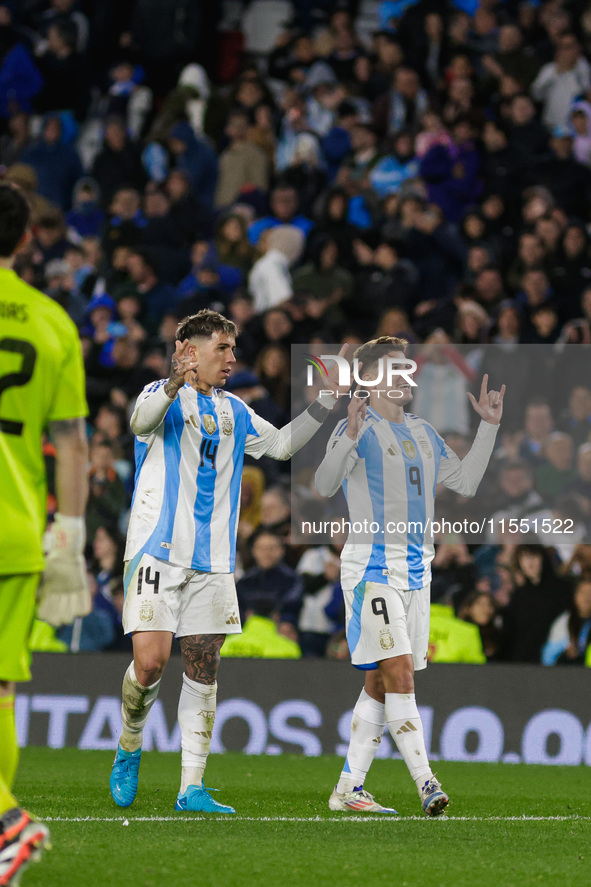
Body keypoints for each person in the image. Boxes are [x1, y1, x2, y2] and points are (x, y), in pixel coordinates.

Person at [109, 309, 347, 815]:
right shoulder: (161, 396)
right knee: (150, 663)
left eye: (233, 349)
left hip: (214, 561)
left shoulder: (236, 409)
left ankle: (190, 787)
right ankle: (130, 743)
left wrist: (325, 403)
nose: (232, 358)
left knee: (203, 664)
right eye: (223, 348)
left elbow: (281, 446)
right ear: (191, 351)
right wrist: (174, 381)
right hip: (157, 550)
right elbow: (138, 422)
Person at [315, 336, 505, 816]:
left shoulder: (423, 431)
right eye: (396, 369)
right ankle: (427, 783)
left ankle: (348, 789)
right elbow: (323, 483)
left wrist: (488, 428)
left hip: (417, 575)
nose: (407, 377)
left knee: (379, 684)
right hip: (372, 572)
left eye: (408, 369)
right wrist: (350, 436)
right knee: (398, 673)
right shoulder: (358, 426)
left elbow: (465, 482)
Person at [0, 183, 90, 883]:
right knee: (1, 684)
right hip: (20, 529)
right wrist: (72, 530)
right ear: (27, 240)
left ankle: (6, 823)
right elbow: (72, 441)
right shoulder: (53, 321)